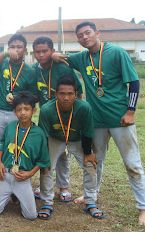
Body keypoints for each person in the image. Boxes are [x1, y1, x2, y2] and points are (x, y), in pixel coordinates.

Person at [53, 21, 145, 226]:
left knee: (132, 164)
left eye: (87, 33)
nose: (84, 37)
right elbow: (62, 58)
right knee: (95, 161)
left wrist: (131, 111)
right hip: (96, 121)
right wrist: (54, 55)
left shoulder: (116, 53)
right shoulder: (82, 58)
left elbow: (133, 82)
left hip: (120, 119)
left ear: (97, 33)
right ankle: (92, 195)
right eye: (80, 35)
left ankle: (144, 208)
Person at [38, 75, 103, 219]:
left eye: (70, 94)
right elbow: (43, 136)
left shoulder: (84, 107)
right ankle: (47, 202)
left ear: (76, 94)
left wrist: (88, 152)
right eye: (62, 93)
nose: (66, 98)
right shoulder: (46, 109)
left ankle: (90, 201)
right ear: (56, 94)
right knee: (46, 166)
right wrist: (43, 157)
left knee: (91, 165)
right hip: (55, 139)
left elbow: (87, 132)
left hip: (77, 140)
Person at [32, 36, 84, 202]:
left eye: (45, 51)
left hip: (67, 117)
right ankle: (44, 185)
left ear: (52, 51)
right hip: (47, 118)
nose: (41, 55)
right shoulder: (34, 70)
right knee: (47, 151)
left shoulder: (63, 67)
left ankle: (63, 186)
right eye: (37, 52)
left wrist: (77, 114)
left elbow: (79, 91)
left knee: (64, 153)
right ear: (33, 53)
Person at [0, 91, 50, 220]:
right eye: (19, 110)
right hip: (5, 175)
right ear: (15, 112)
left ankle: (18, 194)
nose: (23, 113)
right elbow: (2, 145)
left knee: (31, 216)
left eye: (26, 109)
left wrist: (30, 173)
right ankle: (9, 194)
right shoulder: (11, 127)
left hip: (23, 177)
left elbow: (43, 160)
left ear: (34, 110)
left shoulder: (39, 133)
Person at [0, 33, 37, 158]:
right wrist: (4, 54)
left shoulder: (29, 71)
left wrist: (20, 98)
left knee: (15, 145)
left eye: (19, 47)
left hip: (17, 112)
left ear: (25, 50)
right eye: (12, 46)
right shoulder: (2, 63)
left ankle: (12, 172)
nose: (15, 49)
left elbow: (35, 96)